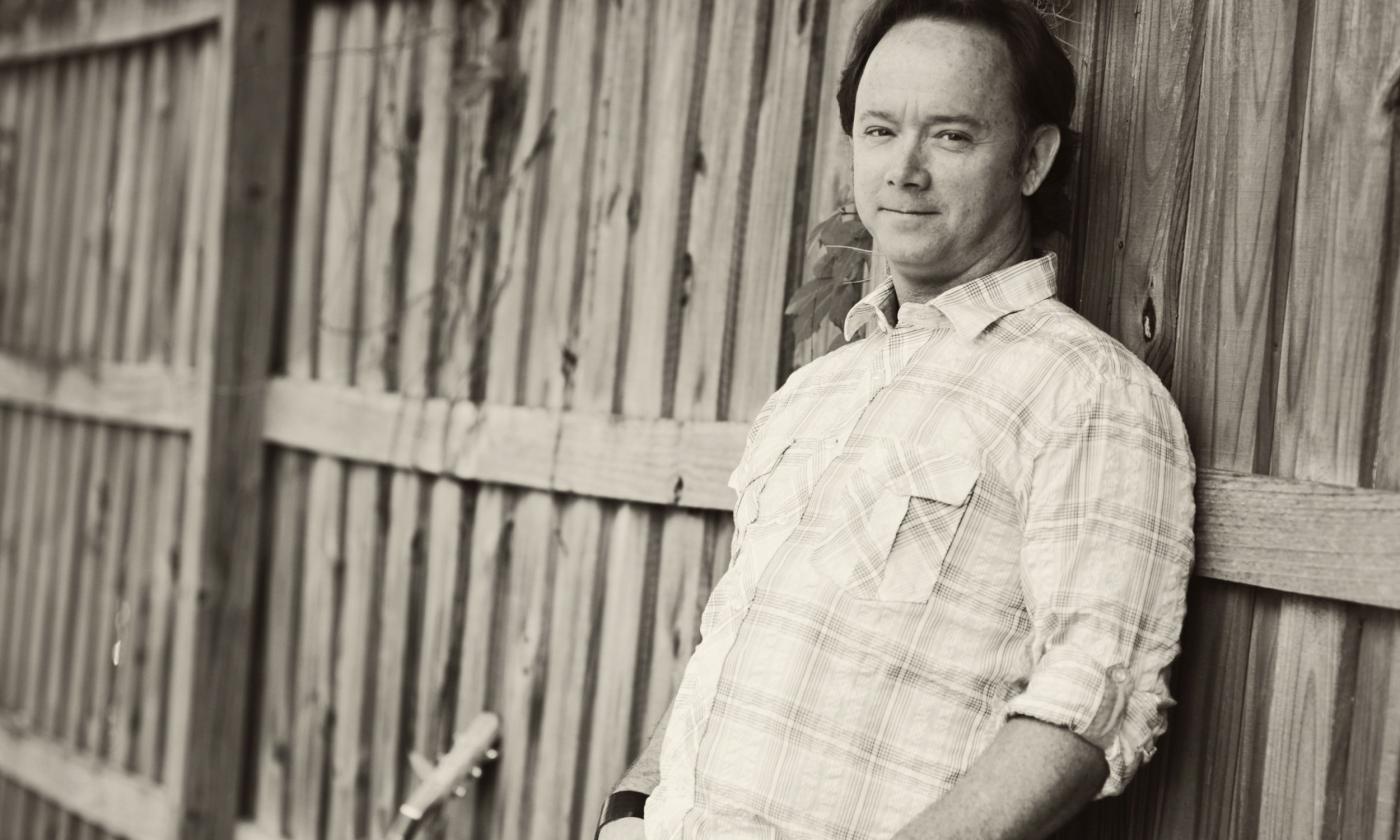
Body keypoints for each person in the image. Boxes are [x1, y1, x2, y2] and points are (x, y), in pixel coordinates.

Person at [597, 1, 1196, 837]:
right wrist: (628, 807)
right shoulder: (813, 394)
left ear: (1032, 158)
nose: (904, 170)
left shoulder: (1088, 393)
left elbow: (1091, 700)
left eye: (950, 136)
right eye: (880, 131)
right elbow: (734, 647)